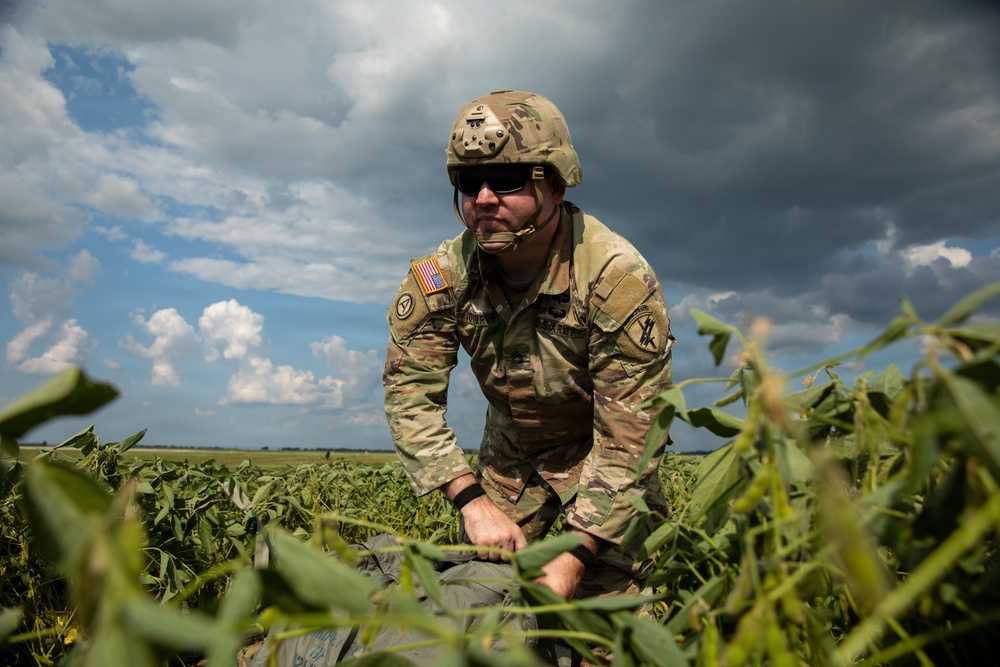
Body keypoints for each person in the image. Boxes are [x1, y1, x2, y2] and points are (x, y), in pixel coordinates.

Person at [383, 90, 674, 603]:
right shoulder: (441, 277)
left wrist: (574, 556)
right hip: (508, 465)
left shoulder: (615, 280)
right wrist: (471, 501)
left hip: (605, 464)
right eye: (470, 183)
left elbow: (633, 437)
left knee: (608, 633)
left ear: (556, 187)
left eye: (510, 180)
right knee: (483, 615)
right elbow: (409, 393)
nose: (485, 198)